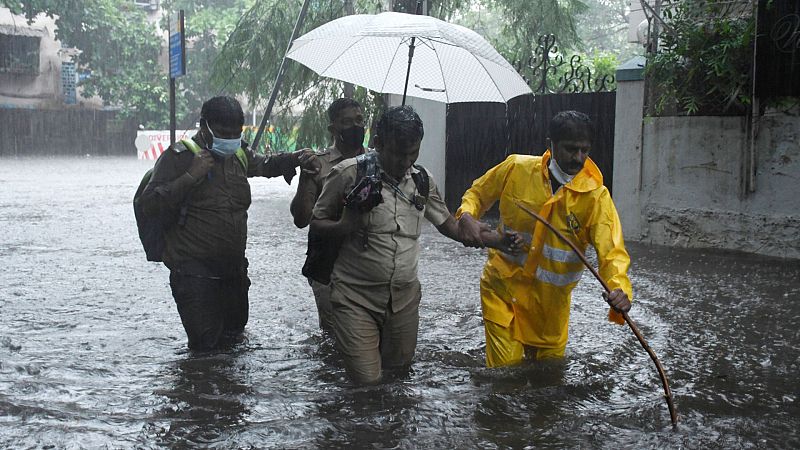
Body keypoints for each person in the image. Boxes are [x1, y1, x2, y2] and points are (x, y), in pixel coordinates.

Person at [310, 105, 519, 384]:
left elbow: (451, 226)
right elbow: (315, 222)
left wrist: (498, 240)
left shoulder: (421, 180)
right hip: (354, 297)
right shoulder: (348, 174)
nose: (405, 161)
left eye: (413, 153)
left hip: (404, 301)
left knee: (398, 378)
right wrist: (345, 226)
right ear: (378, 143)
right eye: (398, 153)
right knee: (367, 382)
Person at [138, 96, 317, 350]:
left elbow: (265, 165)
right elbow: (150, 205)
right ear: (204, 126)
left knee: (235, 343)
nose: (230, 140)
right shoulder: (178, 157)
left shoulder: (239, 154)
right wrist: (191, 176)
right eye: (223, 133)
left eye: (236, 133)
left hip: (233, 272)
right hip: (194, 275)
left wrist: (295, 159)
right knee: (205, 351)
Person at [457, 110, 633, 368]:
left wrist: (620, 289)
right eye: (571, 149)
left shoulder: (596, 198)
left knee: (549, 379)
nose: (579, 158)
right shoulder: (516, 168)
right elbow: (477, 193)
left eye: (585, 150)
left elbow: (612, 252)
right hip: (503, 293)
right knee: (506, 374)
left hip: (550, 311)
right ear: (551, 143)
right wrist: (466, 216)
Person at [291, 97, 367, 332]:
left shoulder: (378, 163)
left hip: (369, 264)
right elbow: (301, 220)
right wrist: (305, 179)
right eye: (346, 122)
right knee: (335, 337)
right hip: (329, 266)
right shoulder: (319, 165)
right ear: (333, 129)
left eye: (359, 120)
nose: (355, 126)